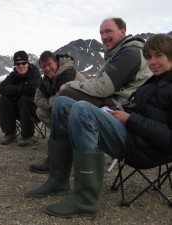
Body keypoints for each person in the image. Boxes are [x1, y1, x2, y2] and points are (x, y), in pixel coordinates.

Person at [26, 33, 172, 219]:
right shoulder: (154, 82)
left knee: (82, 109)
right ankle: (58, 180)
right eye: (149, 56)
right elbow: (139, 109)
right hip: (131, 133)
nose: (152, 61)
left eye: (158, 55)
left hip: (143, 148)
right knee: (62, 103)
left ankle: (86, 201)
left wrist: (129, 119)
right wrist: (113, 111)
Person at [29, 17, 152, 174]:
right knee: (58, 104)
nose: (104, 36)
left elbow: (102, 89)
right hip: (117, 101)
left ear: (123, 31)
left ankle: (58, 162)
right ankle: (59, 166)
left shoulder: (129, 53)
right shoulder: (119, 53)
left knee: (64, 96)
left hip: (122, 107)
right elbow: (37, 98)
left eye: (108, 31)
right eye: (101, 33)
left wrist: (70, 85)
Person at [0, 51, 41, 147]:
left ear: (28, 63)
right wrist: (21, 88)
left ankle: (27, 136)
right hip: (17, 111)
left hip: (34, 111)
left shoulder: (34, 73)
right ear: (15, 65)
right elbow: (2, 88)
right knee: (4, 99)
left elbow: (34, 89)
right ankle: (10, 134)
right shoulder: (13, 75)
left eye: (23, 63)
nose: (21, 66)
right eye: (17, 64)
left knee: (25, 99)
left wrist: (15, 90)